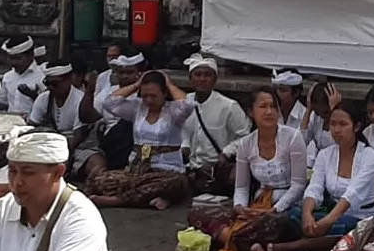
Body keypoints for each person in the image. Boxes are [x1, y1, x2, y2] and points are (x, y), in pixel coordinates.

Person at [87, 71, 195, 210]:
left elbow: (188, 105)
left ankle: (118, 200)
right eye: (145, 96)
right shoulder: (137, 108)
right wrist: (137, 84)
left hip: (166, 171)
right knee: (100, 181)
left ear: (164, 94)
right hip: (137, 170)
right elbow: (109, 103)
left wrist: (168, 83)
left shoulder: (174, 112)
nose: (149, 100)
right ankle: (152, 199)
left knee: (175, 183)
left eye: (154, 96)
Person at [226, 87, 308, 251]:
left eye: (273, 107)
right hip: (260, 202)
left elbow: (299, 185)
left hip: (287, 205)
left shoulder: (293, 137)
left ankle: (233, 237)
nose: (269, 111)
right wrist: (240, 207)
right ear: (251, 112)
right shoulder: (245, 144)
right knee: (201, 213)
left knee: (279, 223)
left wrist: (275, 209)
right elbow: (241, 187)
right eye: (263, 106)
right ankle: (251, 242)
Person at [292, 104, 374, 251]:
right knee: (295, 214)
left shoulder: (371, 157)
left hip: (360, 217)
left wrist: (326, 222)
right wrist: (307, 215)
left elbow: (352, 194)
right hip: (333, 212)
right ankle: (310, 240)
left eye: (343, 124)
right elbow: (315, 188)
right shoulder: (325, 154)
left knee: (344, 228)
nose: (337, 130)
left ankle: (290, 247)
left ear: (356, 127)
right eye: (333, 124)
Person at [182, 54, 251, 196]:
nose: (202, 79)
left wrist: (227, 153)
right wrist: (184, 146)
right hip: (190, 169)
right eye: (198, 74)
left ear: (214, 80)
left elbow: (246, 137)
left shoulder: (229, 106)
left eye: (207, 75)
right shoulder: (183, 103)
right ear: (191, 79)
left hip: (217, 170)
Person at [78, 53, 145, 181]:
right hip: (107, 146)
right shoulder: (108, 92)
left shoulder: (145, 94)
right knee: (97, 170)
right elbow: (87, 117)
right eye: (121, 72)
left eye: (129, 72)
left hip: (135, 147)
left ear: (139, 74)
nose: (124, 76)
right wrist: (90, 91)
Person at [28, 62, 84, 136]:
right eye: (47, 83)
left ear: (69, 80)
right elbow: (32, 126)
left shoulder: (80, 101)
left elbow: (77, 138)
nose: (50, 87)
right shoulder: (43, 98)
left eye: (54, 84)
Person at [0, 38, 45, 117]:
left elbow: (49, 107)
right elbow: (3, 103)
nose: (13, 62)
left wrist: (34, 96)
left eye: (17, 58)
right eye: (10, 58)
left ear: (30, 56)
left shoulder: (43, 76)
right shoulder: (8, 76)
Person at [298, 81, 338, 159]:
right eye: (317, 112)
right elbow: (301, 142)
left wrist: (335, 109)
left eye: (325, 112)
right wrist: (308, 110)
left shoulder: (343, 119)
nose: (321, 116)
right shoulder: (316, 117)